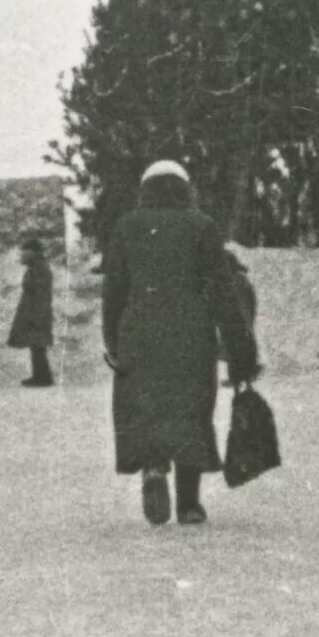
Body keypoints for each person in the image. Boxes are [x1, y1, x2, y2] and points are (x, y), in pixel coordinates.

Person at [102, 162, 258, 528]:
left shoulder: (127, 227)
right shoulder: (201, 225)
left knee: (147, 408)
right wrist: (241, 351)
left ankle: (154, 469)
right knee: (191, 411)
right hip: (191, 333)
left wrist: (112, 339)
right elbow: (222, 294)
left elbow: (113, 291)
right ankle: (189, 503)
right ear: (185, 188)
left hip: (139, 332)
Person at [9, 236, 57, 388]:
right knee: (36, 346)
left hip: (37, 313)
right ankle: (41, 376)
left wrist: (36, 315)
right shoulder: (37, 267)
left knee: (38, 346)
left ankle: (43, 377)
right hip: (35, 312)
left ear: (33, 252)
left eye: (25, 251)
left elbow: (41, 295)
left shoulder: (39, 269)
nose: (22, 255)